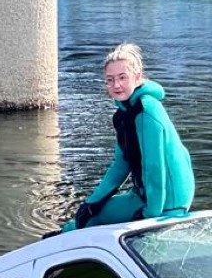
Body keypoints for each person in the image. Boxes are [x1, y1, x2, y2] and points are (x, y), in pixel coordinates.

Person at [57, 43, 194, 233]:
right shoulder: (124, 114)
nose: (116, 85)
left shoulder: (146, 110)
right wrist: (91, 203)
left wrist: (150, 215)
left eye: (123, 77)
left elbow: (155, 166)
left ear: (137, 77)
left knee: (84, 225)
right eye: (110, 80)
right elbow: (121, 164)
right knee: (84, 219)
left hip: (168, 200)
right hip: (144, 193)